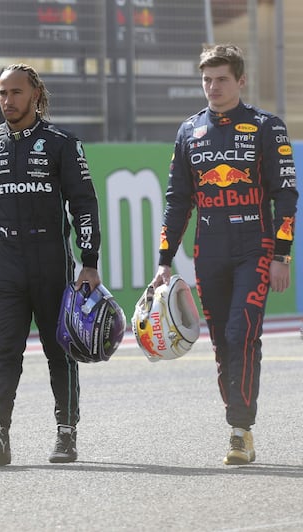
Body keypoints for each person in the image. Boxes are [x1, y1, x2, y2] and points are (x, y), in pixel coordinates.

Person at [152, 43, 298, 465]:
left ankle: (240, 429)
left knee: (241, 334)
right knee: (221, 344)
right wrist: (164, 260)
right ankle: (236, 420)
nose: (212, 87)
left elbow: (285, 196)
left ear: (241, 81)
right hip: (208, 250)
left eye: (221, 79)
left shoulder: (267, 127)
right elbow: (177, 201)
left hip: (256, 248)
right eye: (206, 79)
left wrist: (281, 256)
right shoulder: (189, 131)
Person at [0, 64, 101, 466]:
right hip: (6, 265)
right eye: (3, 93)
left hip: (51, 262)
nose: (8, 100)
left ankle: (66, 433)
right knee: (3, 351)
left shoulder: (62, 143)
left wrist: (89, 262)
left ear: (35, 95)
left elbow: (84, 205)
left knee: (59, 350)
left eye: (16, 92)